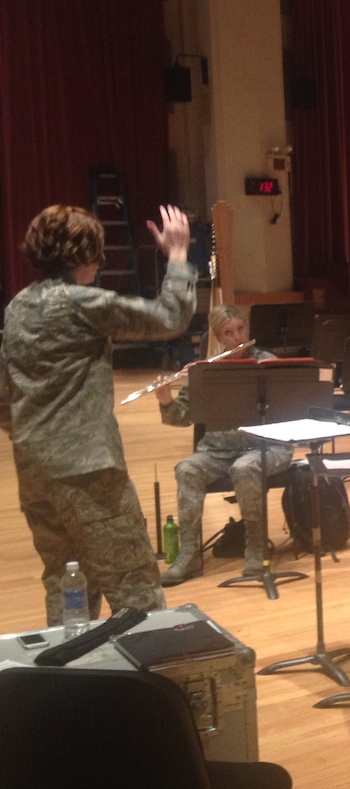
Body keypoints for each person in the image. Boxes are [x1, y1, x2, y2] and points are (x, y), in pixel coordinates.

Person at [1, 204, 196, 625]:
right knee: (136, 588)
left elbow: (4, 396)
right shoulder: (80, 303)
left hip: (35, 472)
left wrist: (34, 439)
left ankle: (71, 685)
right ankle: (148, 690)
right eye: (95, 253)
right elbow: (170, 316)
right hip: (89, 471)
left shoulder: (18, 307)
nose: (100, 262)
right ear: (80, 254)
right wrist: (178, 255)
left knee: (67, 585)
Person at [155, 303, 295, 585]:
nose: (238, 338)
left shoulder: (267, 362)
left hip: (266, 448)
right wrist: (165, 399)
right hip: (218, 451)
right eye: (229, 333)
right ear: (219, 338)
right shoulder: (206, 369)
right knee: (187, 469)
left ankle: (255, 550)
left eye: (241, 329)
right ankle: (190, 555)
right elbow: (182, 416)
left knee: (245, 468)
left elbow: (291, 407)